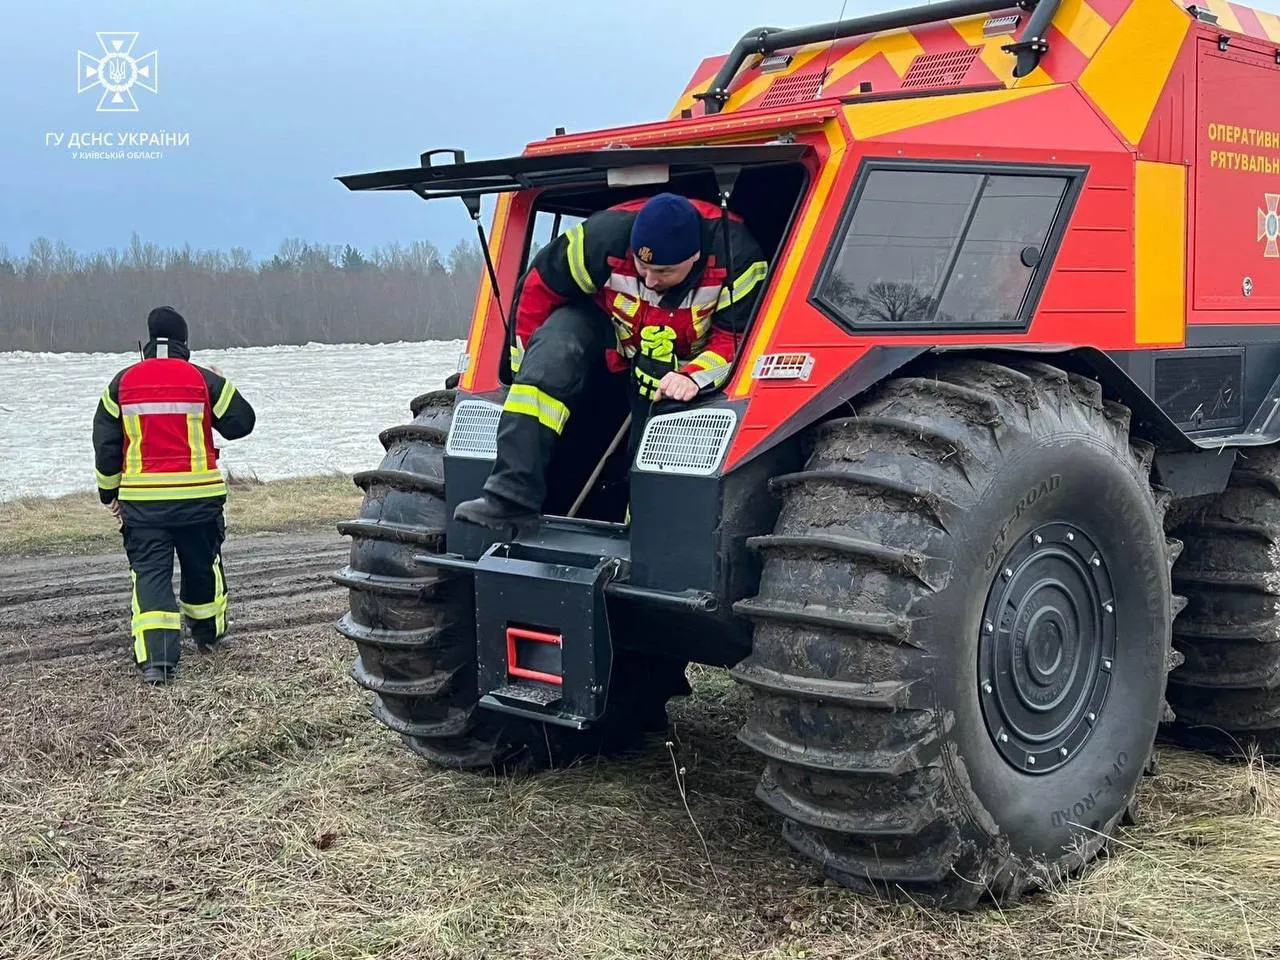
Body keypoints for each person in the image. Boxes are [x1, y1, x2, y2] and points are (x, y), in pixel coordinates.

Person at [453, 191, 768, 532]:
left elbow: (737, 338)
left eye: (663, 271)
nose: (650, 281)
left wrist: (693, 377)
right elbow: (537, 291)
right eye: (642, 267)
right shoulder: (600, 239)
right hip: (609, 335)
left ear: (694, 257)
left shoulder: (739, 258)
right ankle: (509, 498)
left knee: (661, 432)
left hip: (681, 364)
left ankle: (644, 534)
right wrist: (521, 369)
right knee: (553, 348)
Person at [92, 306, 257, 685]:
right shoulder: (202, 381)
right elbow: (243, 423)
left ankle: (157, 663)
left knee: (150, 575)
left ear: (146, 344)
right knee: (202, 565)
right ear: (185, 343)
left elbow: (105, 444)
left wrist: (108, 493)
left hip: (143, 505)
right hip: (199, 501)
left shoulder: (121, 384)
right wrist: (222, 382)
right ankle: (208, 636)